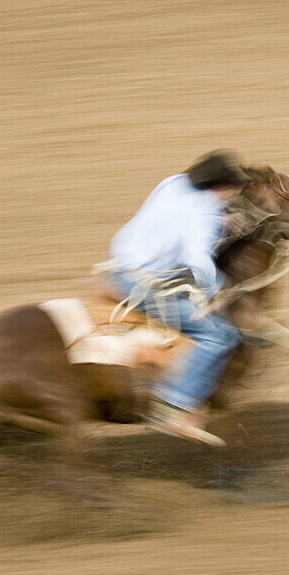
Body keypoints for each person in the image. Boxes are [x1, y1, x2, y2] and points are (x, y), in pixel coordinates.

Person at [106, 150, 251, 446]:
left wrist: (224, 219)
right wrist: (217, 291)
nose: (233, 194)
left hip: (118, 265)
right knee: (220, 336)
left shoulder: (173, 182)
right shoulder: (206, 216)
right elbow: (197, 259)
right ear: (220, 188)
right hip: (142, 285)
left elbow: (178, 216)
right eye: (232, 190)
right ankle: (173, 405)